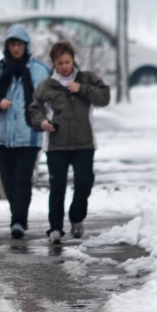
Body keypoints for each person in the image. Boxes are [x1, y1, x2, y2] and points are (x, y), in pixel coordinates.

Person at [29, 40, 110, 244]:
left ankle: (76, 217)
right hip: (57, 144)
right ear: (54, 64)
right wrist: (42, 123)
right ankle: (55, 228)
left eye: (67, 62)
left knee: (84, 182)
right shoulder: (47, 86)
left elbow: (105, 97)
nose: (64, 67)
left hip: (84, 142)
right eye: (59, 63)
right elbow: (34, 109)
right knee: (57, 186)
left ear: (73, 60)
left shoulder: (87, 78)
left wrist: (82, 89)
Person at [0, 23, 49, 239]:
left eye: (19, 44)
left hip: (29, 135)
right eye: (12, 44)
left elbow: (51, 99)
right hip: (3, 136)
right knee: (8, 180)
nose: (15, 49)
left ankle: (19, 221)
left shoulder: (39, 71)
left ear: (26, 46)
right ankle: (16, 216)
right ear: (7, 46)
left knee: (22, 178)